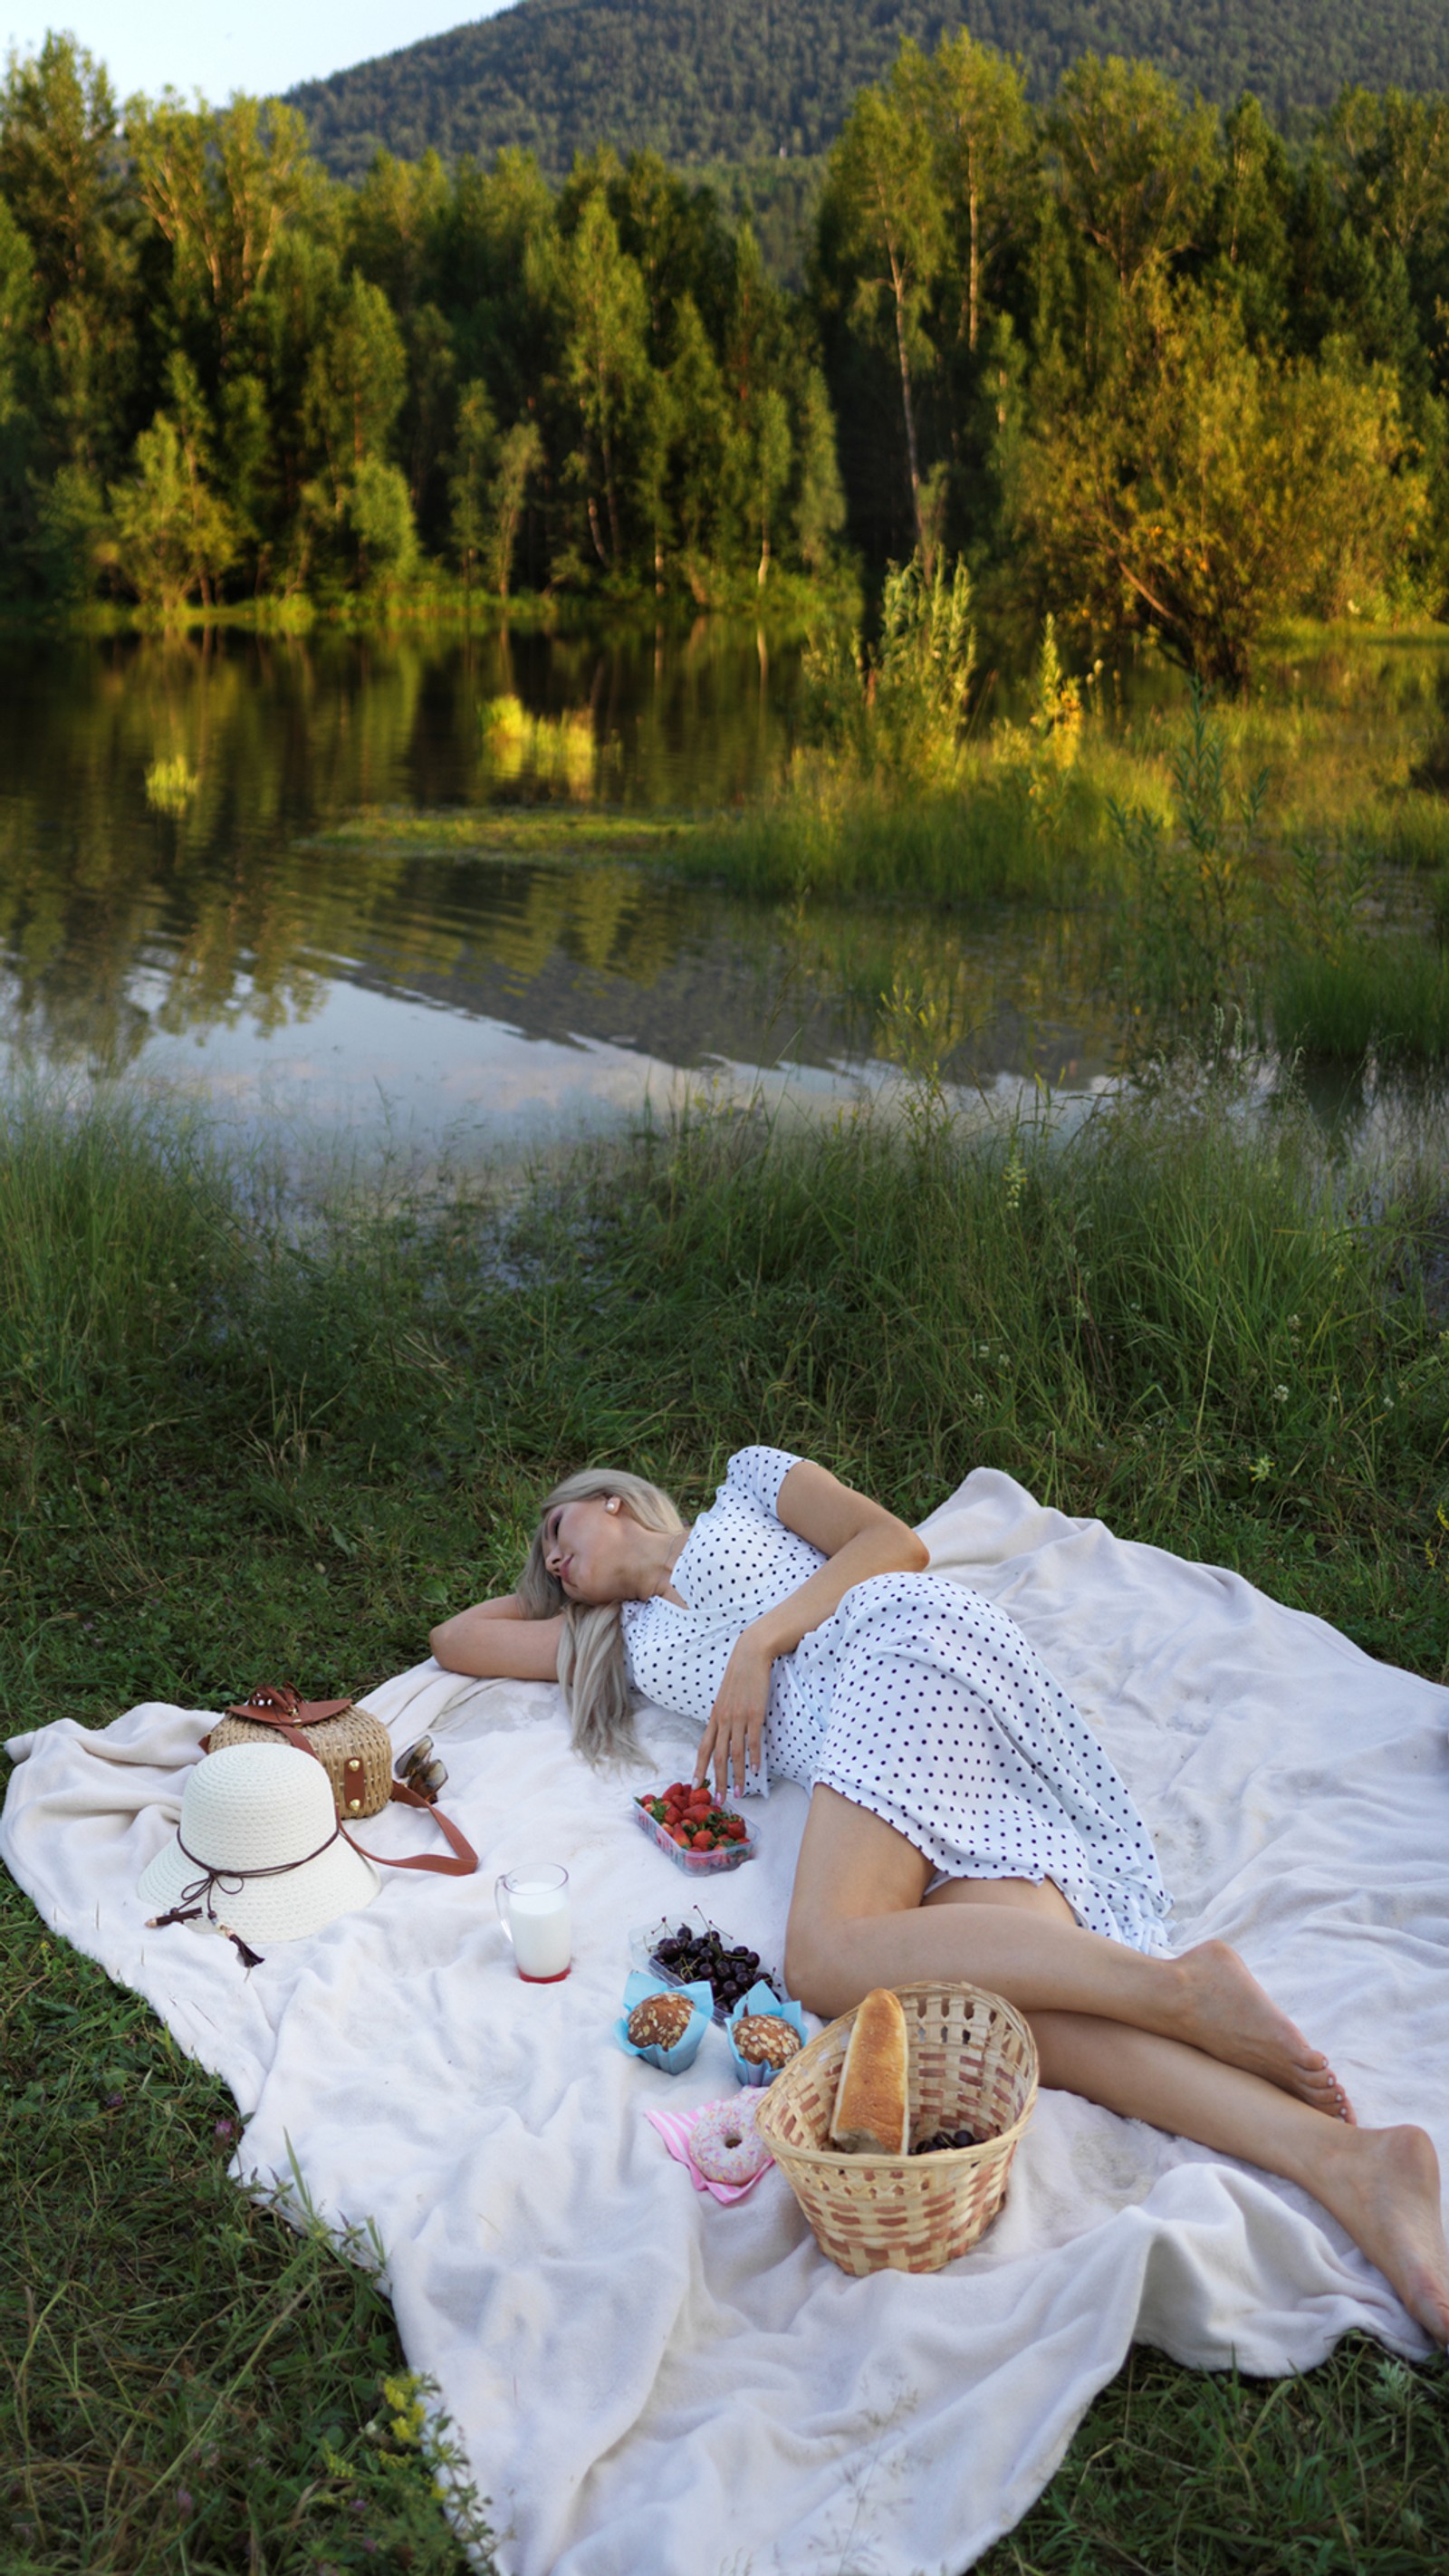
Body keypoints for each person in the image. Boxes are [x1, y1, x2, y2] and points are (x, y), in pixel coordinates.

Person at [430, 1445, 1449, 2345]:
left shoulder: (748, 1487)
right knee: (1010, 2015)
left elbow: (892, 1546)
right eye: (547, 1564)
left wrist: (759, 1642)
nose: (553, 1559)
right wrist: (561, 1588)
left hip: (902, 1653)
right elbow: (455, 1639)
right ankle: (1348, 2164)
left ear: (616, 1498)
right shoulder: (624, 1645)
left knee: (826, 1958)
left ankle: (1179, 1989)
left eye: (559, 1528)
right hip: (893, 1777)